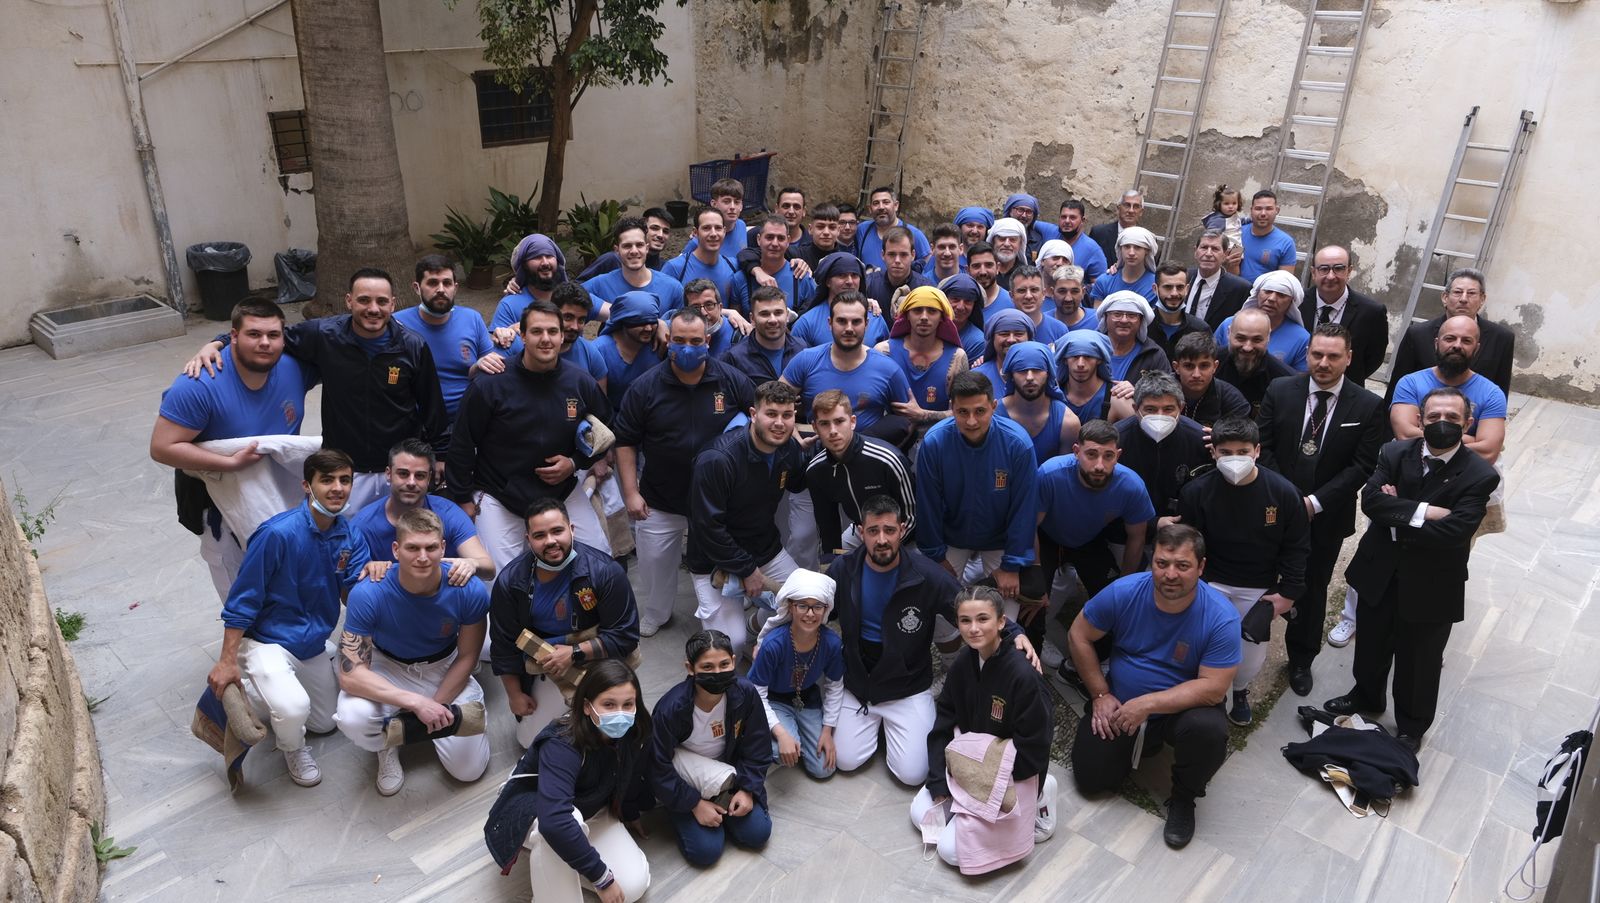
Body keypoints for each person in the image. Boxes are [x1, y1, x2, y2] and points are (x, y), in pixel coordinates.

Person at [184, 268, 449, 511]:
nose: (373, 309)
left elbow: (432, 406)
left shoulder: (413, 346)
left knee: (400, 542)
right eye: (364, 300)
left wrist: (441, 456)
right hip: (345, 470)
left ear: (393, 304)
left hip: (398, 468)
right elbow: (271, 335)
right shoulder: (324, 335)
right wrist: (217, 343)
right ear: (349, 301)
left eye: (381, 301)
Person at [1323, 387, 1499, 751]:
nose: (1442, 423)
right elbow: (1371, 501)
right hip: (1379, 572)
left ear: (1468, 423)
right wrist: (1425, 512)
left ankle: (1411, 726)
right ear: (1419, 419)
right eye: (1434, 416)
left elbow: (1455, 531)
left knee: (1419, 660)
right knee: (1370, 644)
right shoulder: (1393, 451)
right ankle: (1367, 697)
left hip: (1432, 583)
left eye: (1452, 418)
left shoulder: (1481, 475)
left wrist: (1398, 509)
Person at [819, 495, 1034, 784]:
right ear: (861, 532)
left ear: (903, 529)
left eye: (889, 530)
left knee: (913, 775)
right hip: (858, 684)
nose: (881, 539)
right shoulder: (843, 570)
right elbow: (810, 607)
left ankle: (898, 724)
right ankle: (876, 726)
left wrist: (1014, 633)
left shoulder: (927, 575)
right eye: (873, 531)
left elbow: (970, 606)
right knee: (845, 761)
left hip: (907, 686)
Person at [1068, 524, 1241, 849]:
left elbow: (1213, 689)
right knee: (1091, 779)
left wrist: (1146, 705)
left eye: (1183, 566)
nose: (1170, 574)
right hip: (1119, 703)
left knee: (1208, 731)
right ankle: (1138, 744)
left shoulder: (1221, 618)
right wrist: (1100, 694)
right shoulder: (1124, 592)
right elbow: (1079, 635)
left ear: (1201, 568)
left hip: (1182, 709)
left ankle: (1184, 797)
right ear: (1152, 562)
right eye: (1162, 563)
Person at [210, 449, 372, 787]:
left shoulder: (351, 537)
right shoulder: (276, 534)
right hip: (266, 640)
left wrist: (376, 578)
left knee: (326, 723)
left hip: (311, 642)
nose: (337, 487)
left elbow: (351, 596)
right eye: (326, 480)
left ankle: (264, 692)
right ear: (306, 486)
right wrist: (226, 661)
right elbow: (243, 599)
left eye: (345, 480)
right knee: (294, 709)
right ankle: (291, 747)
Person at [151, 298, 316, 600]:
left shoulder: (295, 367)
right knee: (242, 592)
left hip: (281, 499)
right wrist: (228, 464)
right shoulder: (199, 384)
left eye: (273, 335)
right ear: (234, 336)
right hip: (218, 506)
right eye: (253, 334)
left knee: (288, 578)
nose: (265, 343)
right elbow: (162, 448)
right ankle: (243, 645)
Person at [1257, 323, 1388, 695]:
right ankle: (1247, 649)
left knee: (1311, 589)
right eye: (1317, 354)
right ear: (1308, 353)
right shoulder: (1280, 390)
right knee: (1259, 577)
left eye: (1333, 356)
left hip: (1325, 517)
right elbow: (1262, 446)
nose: (1324, 363)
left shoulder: (1367, 405)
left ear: (1348, 359)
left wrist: (1313, 503)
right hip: (1273, 509)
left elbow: (1361, 466)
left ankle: (1300, 660)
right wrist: (1286, 498)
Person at [613, 308, 756, 635]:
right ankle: (658, 611)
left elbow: (758, 413)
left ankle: (728, 605)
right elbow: (625, 440)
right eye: (679, 340)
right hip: (660, 497)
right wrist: (631, 492)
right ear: (669, 340)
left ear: (707, 341)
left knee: (722, 557)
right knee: (653, 564)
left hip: (718, 499)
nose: (687, 348)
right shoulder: (645, 387)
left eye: (695, 341)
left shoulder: (731, 380)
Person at [446, 299, 614, 570]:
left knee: (599, 561)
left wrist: (574, 463)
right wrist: (463, 499)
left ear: (562, 337)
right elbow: (462, 443)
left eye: (552, 332)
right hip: (501, 496)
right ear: (522, 335)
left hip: (563, 492)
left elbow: (606, 431)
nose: (545, 339)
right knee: (496, 578)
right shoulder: (491, 383)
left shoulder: (580, 382)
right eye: (536, 332)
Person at [334, 508, 490, 794]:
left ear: (443, 548)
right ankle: (387, 745)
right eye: (412, 548)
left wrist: (436, 706)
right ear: (396, 549)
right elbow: (351, 675)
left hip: (443, 664)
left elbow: (468, 656)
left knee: (469, 771)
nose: (422, 557)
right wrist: (418, 704)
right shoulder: (369, 592)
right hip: (387, 664)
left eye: (431, 547)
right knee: (353, 716)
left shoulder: (469, 589)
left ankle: (408, 726)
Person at [1173, 416, 1310, 726]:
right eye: (1226, 452)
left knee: (1250, 655)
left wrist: (1287, 593)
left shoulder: (1285, 494)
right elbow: (1188, 544)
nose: (1235, 460)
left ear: (1257, 451)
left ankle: (1240, 690)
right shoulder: (1196, 492)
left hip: (1258, 586)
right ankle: (1209, 692)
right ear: (1213, 453)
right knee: (1202, 641)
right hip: (1211, 582)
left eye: (1243, 452)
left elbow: (1297, 547)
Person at [910, 586, 1057, 872]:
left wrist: (980, 782)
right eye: (965, 621)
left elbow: (1035, 747)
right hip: (967, 760)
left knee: (951, 852)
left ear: (1002, 622)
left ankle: (1041, 792)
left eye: (983, 619)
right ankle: (961, 806)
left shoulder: (1023, 675)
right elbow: (944, 721)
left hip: (1009, 770)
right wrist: (941, 782)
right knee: (920, 815)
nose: (974, 628)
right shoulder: (965, 662)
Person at [483, 660, 654, 903]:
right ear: (586, 706)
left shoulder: (636, 730)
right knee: (558, 827)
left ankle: (569, 860)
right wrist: (602, 878)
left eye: (628, 704)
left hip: (593, 807)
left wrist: (630, 810)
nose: (620, 713)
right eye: (608, 704)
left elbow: (629, 773)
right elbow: (554, 820)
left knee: (633, 886)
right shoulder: (562, 743)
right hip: (537, 806)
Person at [487, 499, 642, 746]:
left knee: (612, 732)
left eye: (557, 531)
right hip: (545, 661)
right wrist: (514, 694)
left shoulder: (605, 571)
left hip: (597, 655)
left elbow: (626, 635)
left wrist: (574, 653)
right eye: (540, 535)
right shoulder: (510, 582)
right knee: (530, 742)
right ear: (528, 539)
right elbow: (504, 644)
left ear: (572, 529)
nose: (550, 541)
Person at [687, 380, 808, 652]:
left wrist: (812, 453)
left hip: (763, 547)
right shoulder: (717, 459)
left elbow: (798, 483)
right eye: (771, 414)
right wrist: (747, 571)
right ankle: (742, 637)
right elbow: (708, 529)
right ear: (754, 415)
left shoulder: (788, 449)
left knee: (806, 604)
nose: (779, 423)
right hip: (712, 558)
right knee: (731, 645)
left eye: (787, 415)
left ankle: (757, 624)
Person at [650, 630, 774, 867]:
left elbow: (758, 746)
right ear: (690, 668)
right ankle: (681, 810)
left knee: (757, 833)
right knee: (706, 852)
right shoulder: (671, 709)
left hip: (727, 775)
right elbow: (658, 765)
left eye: (724, 664)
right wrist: (694, 804)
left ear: (734, 662)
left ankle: (723, 806)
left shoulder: (745, 693)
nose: (717, 673)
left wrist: (747, 790)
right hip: (687, 779)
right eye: (707, 667)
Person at [1035, 420, 1155, 659]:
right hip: (1047, 538)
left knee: (1116, 600)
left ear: (1118, 455)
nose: (1100, 465)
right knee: (1032, 597)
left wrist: (1125, 587)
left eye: (1108, 456)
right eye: (1091, 454)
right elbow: (1029, 526)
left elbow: (1136, 538)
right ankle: (1035, 642)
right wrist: (1033, 573)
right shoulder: (1050, 474)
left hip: (1089, 542)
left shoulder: (1131, 486)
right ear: (1077, 451)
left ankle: (1090, 659)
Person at [916, 372, 1038, 600]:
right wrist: (936, 557)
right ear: (952, 408)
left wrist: (1012, 564)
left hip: (1001, 539)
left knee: (1005, 613)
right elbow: (927, 505)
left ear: (993, 406)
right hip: (951, 536)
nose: (971, 421)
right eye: (963, 412)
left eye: (980, 411)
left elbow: (1024, 508)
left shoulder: (1017, 444)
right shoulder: (935, 443)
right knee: (941, 611)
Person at [349, 439, 493, 581]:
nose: (411, 482)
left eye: (420, 476)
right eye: (403, 474)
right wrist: (368, 573)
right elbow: (347, 596)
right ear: (389, 474)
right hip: (386, 599)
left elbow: (488, 569)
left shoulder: (449, 513)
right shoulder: (363, 524)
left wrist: (472, 563)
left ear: (429, 477)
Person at [749, 569, 845, 780]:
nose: (810, 614)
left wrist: (828, 731)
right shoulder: (774, 645)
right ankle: (783, 735)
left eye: (817, 606)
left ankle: (795, 738)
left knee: (824, 769)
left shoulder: (831, 643)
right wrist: (782, 735)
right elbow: (757, 693)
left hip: (806, 698)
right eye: (803, 605)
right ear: (791, 607)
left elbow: (835, 686)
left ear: (826, 609)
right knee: (780, 751)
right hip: (773, 699)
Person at [783, 292, 913, 445]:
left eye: (856, 322)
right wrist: (796, 439)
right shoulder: (805, 361)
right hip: (818, 454)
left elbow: (907, 422)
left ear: (867, 323)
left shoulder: (888, 369)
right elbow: (773, 403)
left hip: (869, 455)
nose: (849, 328)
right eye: (842, 321)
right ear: (830, 323)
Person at [804, 389, 917, 561]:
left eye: (839, 421)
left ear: (852, 422)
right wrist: (830, 565)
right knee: (829, 573)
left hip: (903, 535)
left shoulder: (887, 459)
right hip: (860, 532)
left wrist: (877, 549)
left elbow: (911, 517)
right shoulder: (816, 470)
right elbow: (827, 525)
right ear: (815, 427)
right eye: (825, 424)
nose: (833, 431)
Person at [394, 254, 500, 421]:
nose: (441, 289)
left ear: (455, 288)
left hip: (466, 419)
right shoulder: (397, 324)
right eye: (432, 283)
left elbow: (490, 370)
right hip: (415, 423)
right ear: (416, 288)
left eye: (447, 283)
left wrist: (480, 365)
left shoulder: (472, 319)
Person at [1387, 267, 1515, 401]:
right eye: (1458, 292)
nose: (1464, 299)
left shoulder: (1501, 338)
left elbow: (1501, 392)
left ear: (1482, 299)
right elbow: (1396, 389)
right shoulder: (1418, 334)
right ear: (1445, 297)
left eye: (1471, 293)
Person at [1391, 315, 1507, 463]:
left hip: (1466, 475)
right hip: (1413, 466)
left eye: (1466, 341)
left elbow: (1488, 452)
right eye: (1450, 338)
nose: (1457, 345)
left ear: (1476, 349)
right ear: (1436, 343)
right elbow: (1405, 436)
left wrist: (1429, 436)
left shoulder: (1492, 394)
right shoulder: (1410, 383)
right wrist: (1471, 439)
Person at [1114, 371, 1211, 528]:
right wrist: (1152, 524)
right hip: (1126, 529)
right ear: (1135, 408)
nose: (1160, 416)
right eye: (1150, 410)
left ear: (1181, 407)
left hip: (1182, 530)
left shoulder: (1201, 440)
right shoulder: (1116, 440)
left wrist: (1221, 449)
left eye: (1168, 409)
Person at [876, 285, 970, 427]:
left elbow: (965, 411)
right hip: (891, 440)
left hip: (939, 438)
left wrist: (923, 415)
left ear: (942, 318)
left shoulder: (957, 357)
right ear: (907, 314)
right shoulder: (884, 352)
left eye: (932, 311)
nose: (924, 317)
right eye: (917, 310)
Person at [1301, 245, 1387, 384]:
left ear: (1349, 271)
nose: (1330, 276)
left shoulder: (1372, 312)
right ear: (1313, 272)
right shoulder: (1297, 302)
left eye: (1338, 268)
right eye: (1324, 269)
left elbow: (1374, 358)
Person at [582, 218, 686, 319]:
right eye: (627, 246)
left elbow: (687, 324)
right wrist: (609, 310)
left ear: (647, 248)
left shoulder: (672, 287)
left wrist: (662, 325)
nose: (634, 251)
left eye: (639, 245)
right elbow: (569, 296)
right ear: (617, 250)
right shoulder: (602, 283)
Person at [996, 341, 1080, 465]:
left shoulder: (1067, 422)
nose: (1029, 377)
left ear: (1048, 374)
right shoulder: (993, 417)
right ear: (1011, 375)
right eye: (1022, 370)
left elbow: (1064, 473)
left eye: (1037, 370)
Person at [1212, 270, 1311, 372]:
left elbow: (1298, 380)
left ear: (1292, 302)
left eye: (1281, 295)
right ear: (1257, 294)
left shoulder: (1302, 338)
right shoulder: (1229, 324)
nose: (1272, 298)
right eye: (1267, 291)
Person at [1216, 307, 1297, 419]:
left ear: (1268, 337)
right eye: (1241, 338)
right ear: (1229, 333)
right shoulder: (1208, 363)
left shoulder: (1284, 380)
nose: (1247, 347)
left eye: (1256, 340)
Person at [731, 215, 819, 314]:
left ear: (788, 241)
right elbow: (735, 322)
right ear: (759, 239)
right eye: (769, 237)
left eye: (781, 238)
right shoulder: (740, 279)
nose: (775, 243)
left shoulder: (801, 277)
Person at [792, 256, 889, 346]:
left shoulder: (875, 317)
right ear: (828, 281)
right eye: (842, 275)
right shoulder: (807, 323)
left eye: (855, 275)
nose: (850, 281)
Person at [494, 233, 569, 342]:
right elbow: (494, 348)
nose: (545, 262)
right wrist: (509, 330)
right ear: (524, 265)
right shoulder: (509, 305)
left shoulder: (571, 298)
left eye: (549, 256)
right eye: (537, 257)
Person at [726, 285, 805, 385]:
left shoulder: (802, 350)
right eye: (764, 314)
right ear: (752, 319)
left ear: (787, 316)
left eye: (778, 313)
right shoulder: (734, 358)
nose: (773, 320)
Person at [660, 206, 741, 303]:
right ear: (695, 232)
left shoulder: (734, 266)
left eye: (718, 228)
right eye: (706, 228)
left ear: (724, 231)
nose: (713, 234)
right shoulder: (676, 268)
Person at [1171, 332, 1249, 428]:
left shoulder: (1233, 400)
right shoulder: (1160, 391)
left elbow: (1241, 438)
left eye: (1204, 366)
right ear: (1176, 367)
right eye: (1189, 366)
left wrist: (1222, 439)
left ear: (1215, 367)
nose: (1196, 375)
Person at [1098, 290, 1172, 392]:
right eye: (1117, 314)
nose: (1124, 320)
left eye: (1131, 315)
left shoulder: (1154, 355)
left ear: (1141, 321)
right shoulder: (1091, 349)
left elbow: (1168, 392)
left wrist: (1138, 392)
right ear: (1105, 317)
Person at [1059, 330, 1134, 426]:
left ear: (1099, 359)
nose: (1080, 364)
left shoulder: (1117, 399)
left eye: (1088, 356)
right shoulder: (1052, 396)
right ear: (1065, 360)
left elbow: (1144, 435)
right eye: (1074, 356)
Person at [575, 206, 673, 279]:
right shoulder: (613, 260)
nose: (660, 235)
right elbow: (577, 288)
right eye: (654, 228)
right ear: (643, 228)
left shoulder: (667, 268)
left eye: (665, 231)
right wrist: (602, 305)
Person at [1186, 230, 1251, 331]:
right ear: (1195, 251)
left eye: (1215, 249)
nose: (1208, 253)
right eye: (1204, 247)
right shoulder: (1183, 277)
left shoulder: (1240, 289)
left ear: (1225, 254)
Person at [856, 186, 931, 271]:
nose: (881, 207)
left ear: (896, 206)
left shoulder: (914, 234)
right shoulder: (862, 230)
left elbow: (928, 266)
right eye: (876, 203)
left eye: (886, 202)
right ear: (870, 209)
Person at [862, 226, 934, 312]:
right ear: (882, 255)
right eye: (891, 254)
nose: (897, 261)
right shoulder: (869, 284)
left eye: (903, 255)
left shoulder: (926, 289)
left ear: (913, 255)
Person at [1148, 264, 1210, 361]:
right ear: (1155, 289)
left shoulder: (1200, 329)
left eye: (1180, 287)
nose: (1174, 293)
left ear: (1187, 289)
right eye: (1168, 287)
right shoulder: (1143, 326)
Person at [1090, 227, 1160, 306]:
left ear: (1147, 250)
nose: (1131, 253)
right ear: (1120, 249)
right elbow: (1098, 316)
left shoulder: (1156, 285)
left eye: (1137, 247)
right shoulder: (1104, 281)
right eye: (1127, 246)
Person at [1239, 190, 1299, 281]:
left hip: (1264, 294)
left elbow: (1284, 282)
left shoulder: (1286, 243)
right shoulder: (1236, 233)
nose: (1263, 213)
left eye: (1269, 209)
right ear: (1251, 210)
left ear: (1277, 210)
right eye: (1258, 208)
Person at [971, 308, 1034, 391]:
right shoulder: (977, 377)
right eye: (1004, 334)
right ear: (992, 338)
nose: (1011, 340)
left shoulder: (1040, 375)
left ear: (1029, 338)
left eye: (1019, 334)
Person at [1009, 265, 1069, 349]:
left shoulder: (1059, 330)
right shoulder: (1001, 330)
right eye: (1022, 291)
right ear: (1011, 295)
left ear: (1043, 293)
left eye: (1034, 290)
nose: (1028, 296)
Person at [680, 279, 741, 359]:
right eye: (695, 307)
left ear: (720, 307)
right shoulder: (677, 333)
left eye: (709, 305)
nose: (703, 313)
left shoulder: (740, 336)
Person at [1057, 199, 1109, 286]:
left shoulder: (1093, 250)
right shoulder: (1051, 233)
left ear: (1082, 220)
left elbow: (1101, 285)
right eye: (1063, 217)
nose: (1067, 221)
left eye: (1072, 217)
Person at [940, 273, 989, 362]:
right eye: (955, 299)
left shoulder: (977, 341)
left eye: (968, 301)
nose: (960, 307)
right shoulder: (929, 328)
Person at [1088, 189, 1145, 264]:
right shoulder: (1099, 233)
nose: (1131, 211)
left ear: (1141, 212)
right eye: (1127, 205)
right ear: (1118, 208)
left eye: (1136, 206)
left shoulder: (1146, 239)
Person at [1003, 192, 1058, 260]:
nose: (1024, 215)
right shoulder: (998, 234)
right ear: (1010, 211)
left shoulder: (1037, 240)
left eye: (1029, 212)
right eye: (1020, 210)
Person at [966, 241, 1014, 316]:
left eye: (988, 265)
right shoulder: (960, 305)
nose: (983, 272)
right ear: (968, 270)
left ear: (998, 268)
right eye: (976, 266)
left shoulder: (1012, 304)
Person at [792, 202, 844, 270]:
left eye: (832, 227)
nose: (826, 232)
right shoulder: (796, 255)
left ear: (838, 230)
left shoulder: (844, 261)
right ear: (810, 229)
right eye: (820, 227)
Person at [1049, 265, 1098, 332]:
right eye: (1062, 291)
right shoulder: (1042, 322)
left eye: (1074, 291)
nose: (1068, 298)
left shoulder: (1098, 320)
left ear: (1083, 292)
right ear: (1052, 292)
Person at [986, 217, 1028, 290]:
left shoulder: (1027, 275)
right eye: (1002, 239)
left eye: (1013, 240)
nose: (1007, 244)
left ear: (1020, 244)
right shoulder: (982, 270)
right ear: (993, 241)